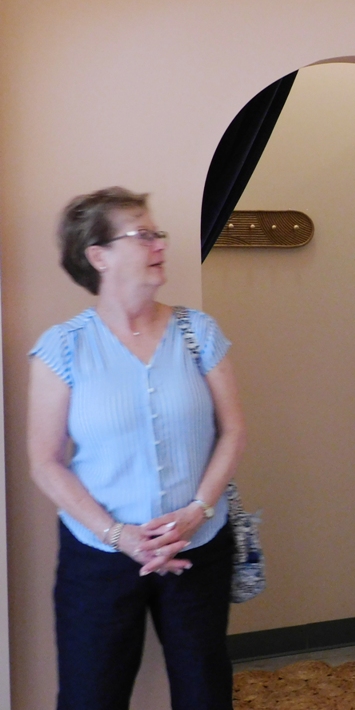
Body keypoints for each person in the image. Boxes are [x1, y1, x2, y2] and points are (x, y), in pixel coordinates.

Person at [27, 187, 246, 710]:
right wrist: (117, 535)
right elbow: (45, 462)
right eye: (143, 234)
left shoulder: (197, 332)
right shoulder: (64, 347)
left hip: (198, 548)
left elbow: (234, 430)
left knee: (205, 694)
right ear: (98, 256)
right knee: (91, 697)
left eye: (157, 233)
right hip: (99, 560)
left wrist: (197, 512)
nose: (160, 244)